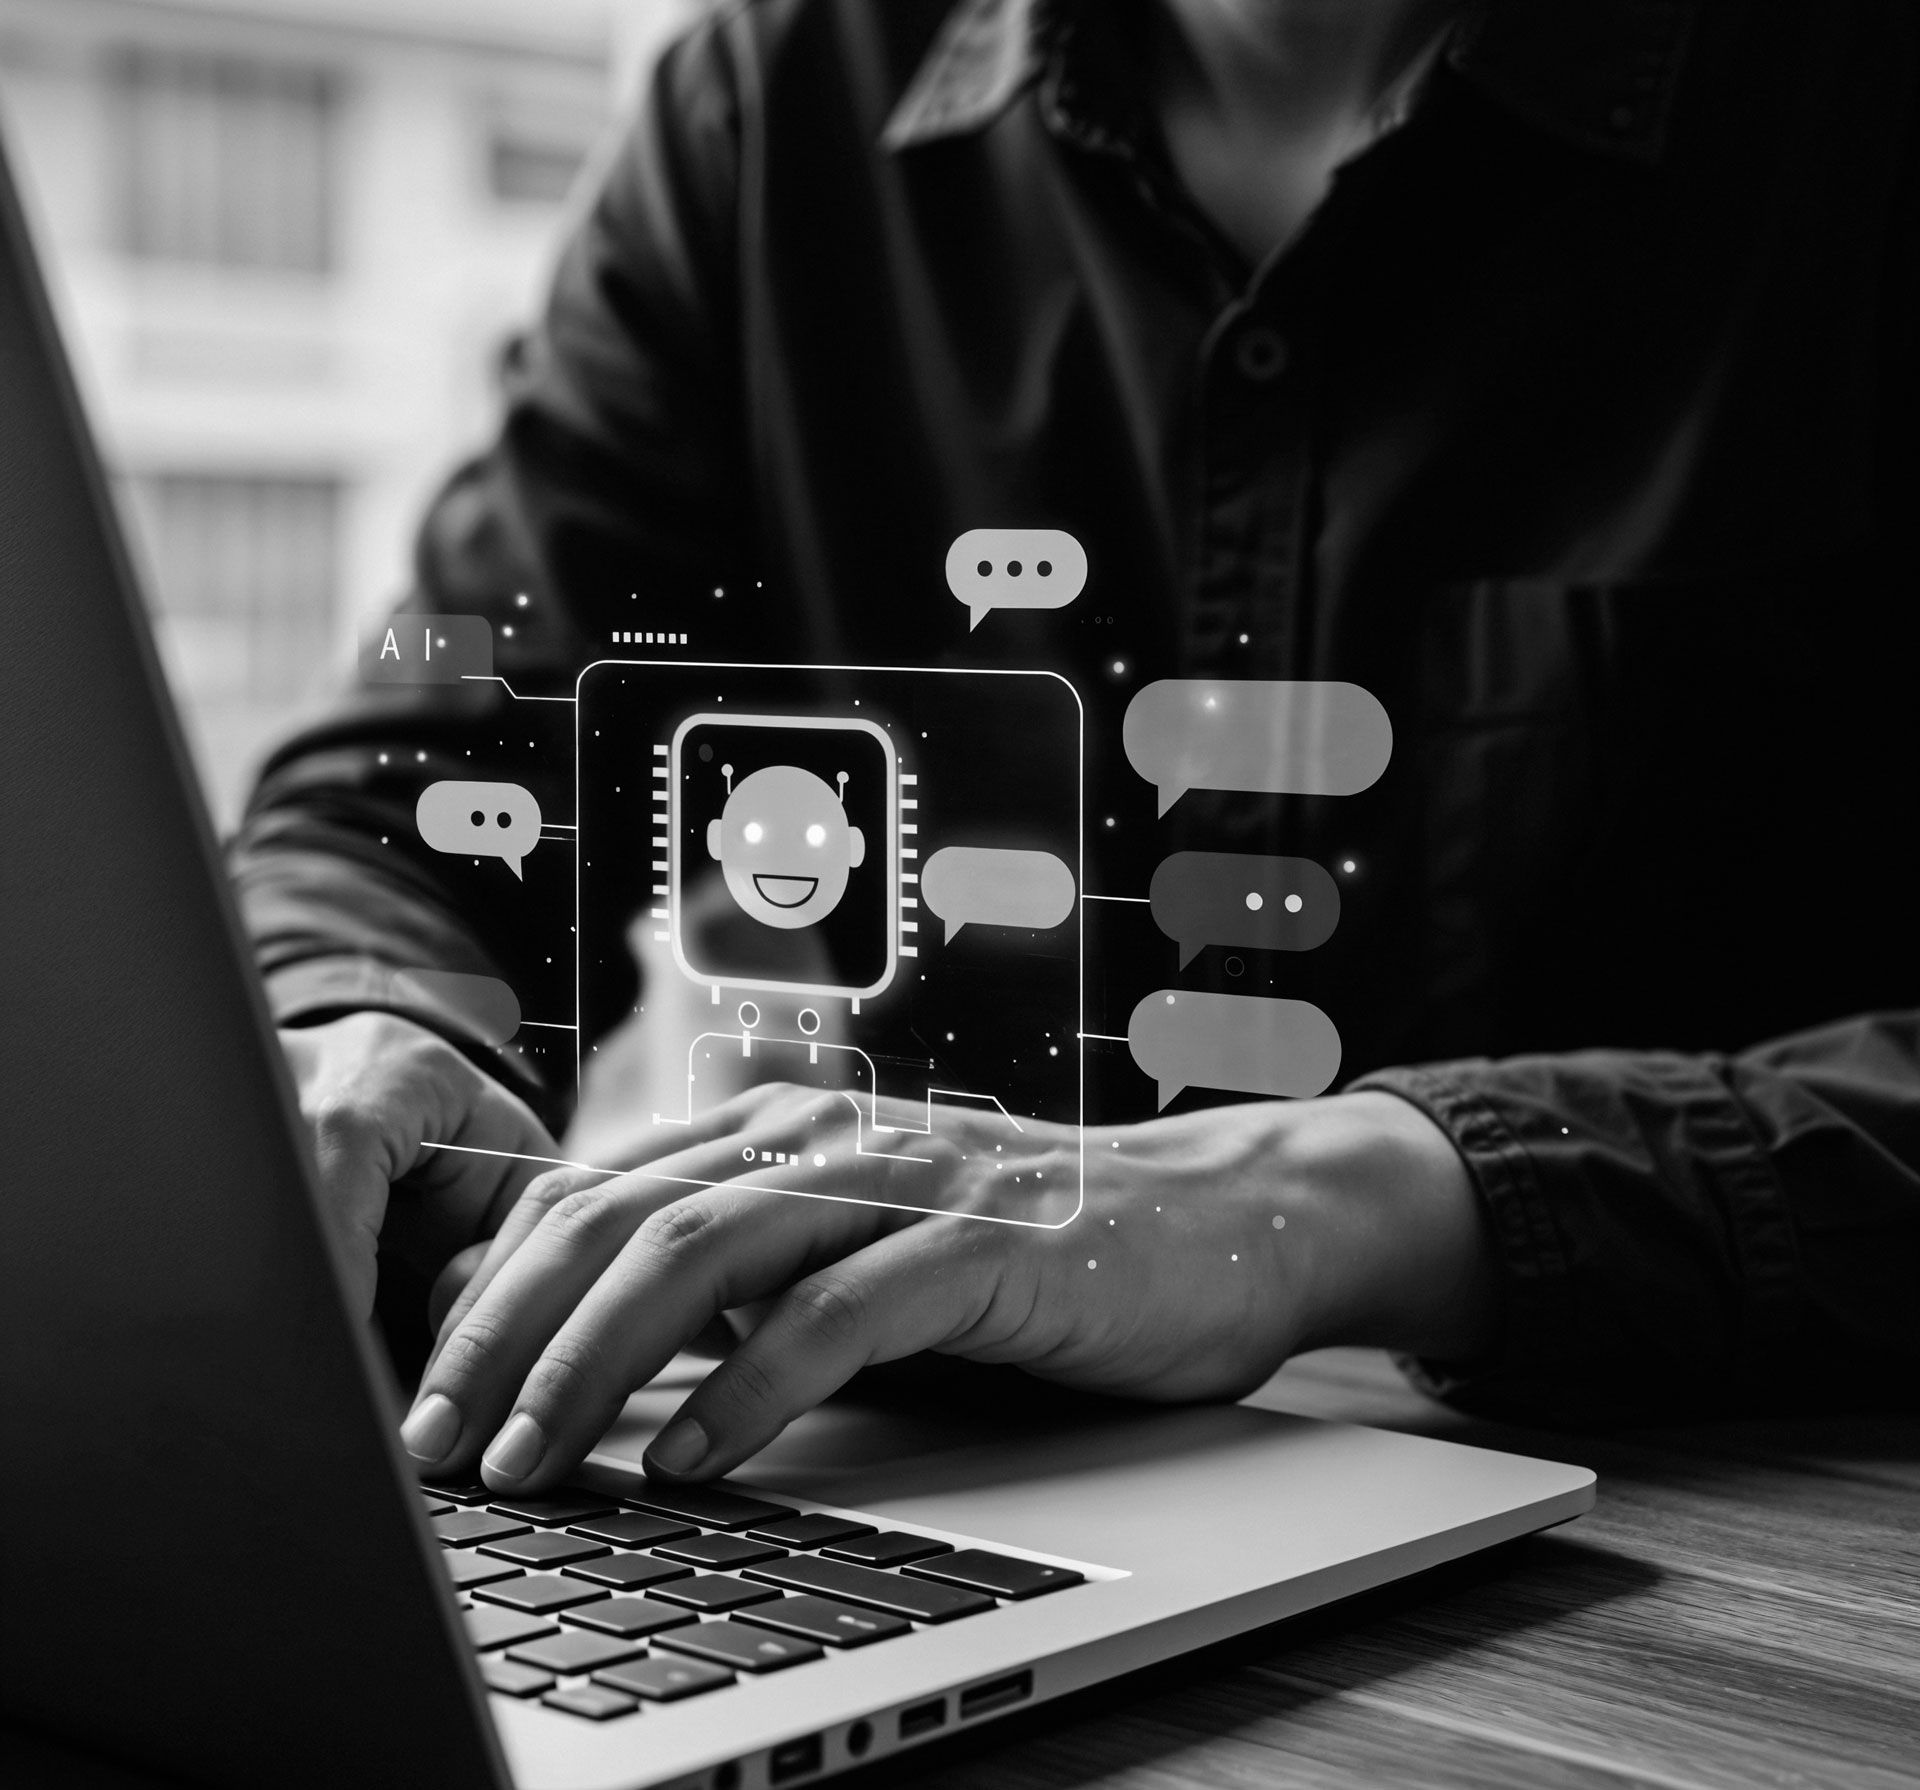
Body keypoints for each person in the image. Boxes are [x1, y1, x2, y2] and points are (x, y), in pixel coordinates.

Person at [236, 0, 1920, 1496]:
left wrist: (1339, 1202)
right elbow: (403, 803)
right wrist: (360, 1024)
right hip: (927, 1494)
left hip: (1731, 1558)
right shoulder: (771, 114)